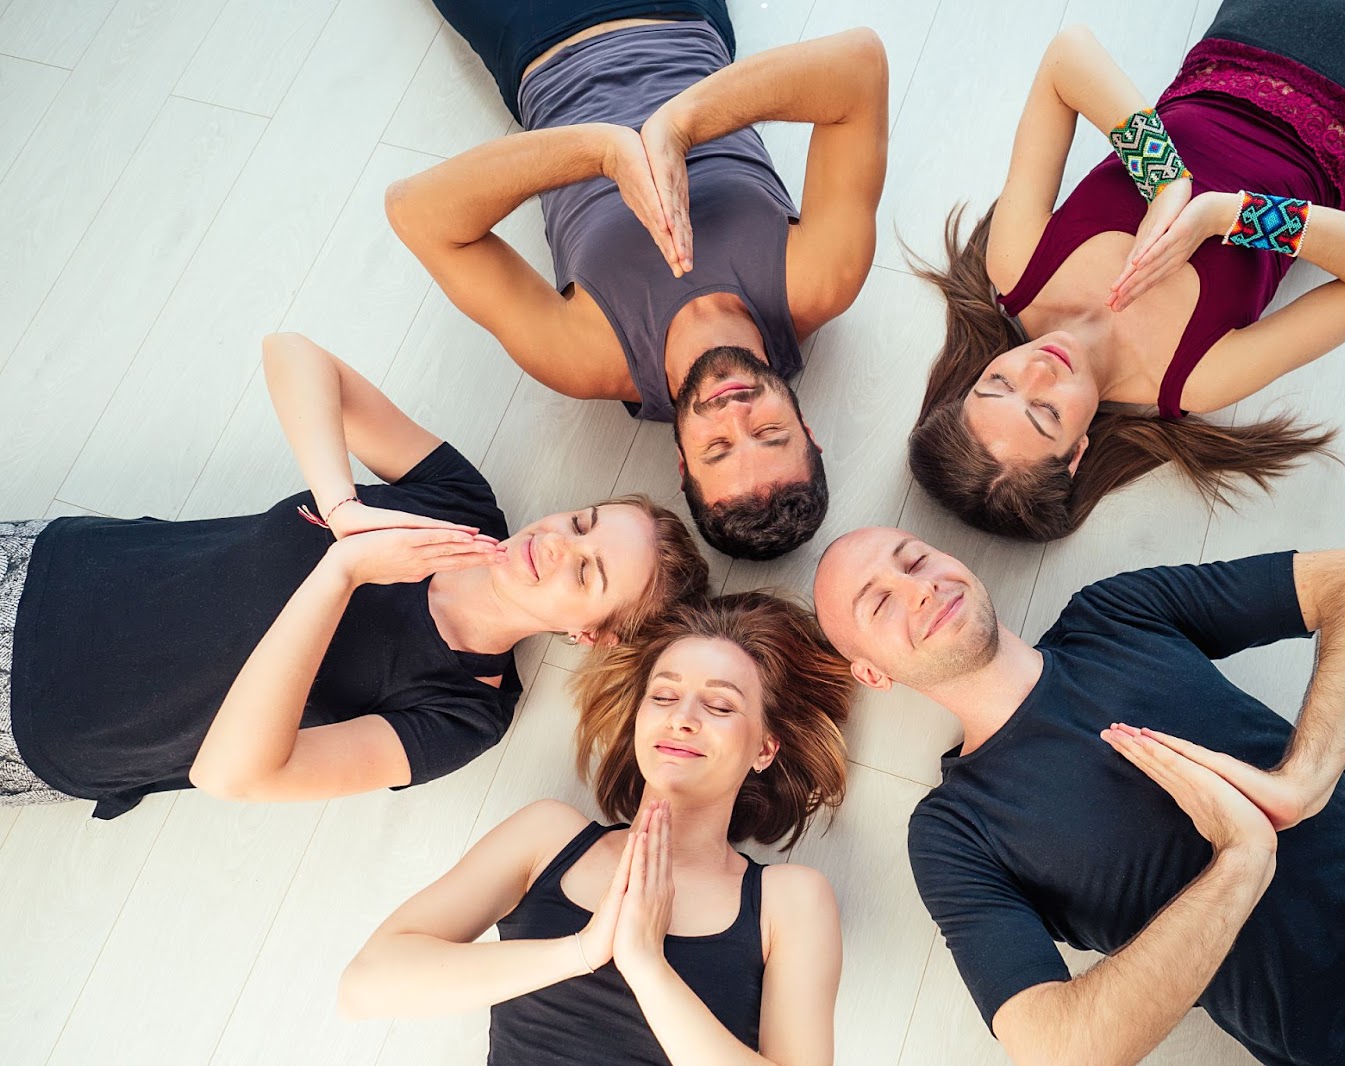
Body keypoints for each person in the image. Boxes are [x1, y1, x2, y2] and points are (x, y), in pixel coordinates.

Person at [811, 527, 1345, 1065]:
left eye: (913, 559)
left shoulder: (1115, 613)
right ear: (872, 674)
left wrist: (1302, 780)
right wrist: (1240, 861)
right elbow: (1058, 1045)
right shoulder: (953, 831)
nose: (914, 589)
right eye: (877, 603)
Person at [910, 0, 1345, 540]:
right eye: (1043, 413)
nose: (1036, 371)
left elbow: (1069, 58)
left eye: (997, 383)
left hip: (1259, 34)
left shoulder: (1018, 267)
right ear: (1080, 450)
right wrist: (1226, 217)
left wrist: (1167, 180)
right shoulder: (1197, 379)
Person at [0, 332, 709, 820]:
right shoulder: (460, 503)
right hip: (51, 564)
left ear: (588, 633)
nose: (558, 545)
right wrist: (342, 507)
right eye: (581, 522)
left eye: (587, 574)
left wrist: (341, 575)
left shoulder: (461, 714)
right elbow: (295, 355)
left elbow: (232, 775)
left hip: (46, 723)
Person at [386, 1, 889, 560]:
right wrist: (677, 127)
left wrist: (603, 152)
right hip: (676, 13)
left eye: (718, 449)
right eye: (770, 434)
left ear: (682, 463)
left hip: (534, 35)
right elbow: (859, 65)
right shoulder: (819, 280)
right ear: (809, 431)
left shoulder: (588, 357)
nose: (734, 413)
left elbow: (416, 212)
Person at [339, 591, 854, 1066]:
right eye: (663, 696)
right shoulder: (548, 839)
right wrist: (581, 950)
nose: (683, 718)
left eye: (720, 705)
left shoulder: (788, 901)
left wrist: (647, 964)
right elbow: (365, 986)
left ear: (764, 748)